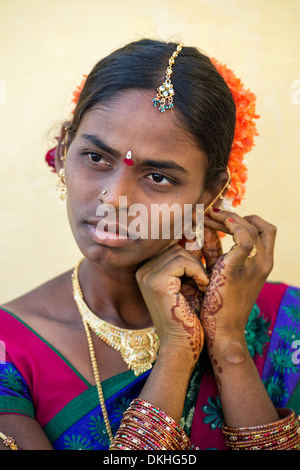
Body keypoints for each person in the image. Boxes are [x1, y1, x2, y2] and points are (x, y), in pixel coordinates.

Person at [0, 39, 299, 451]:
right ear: (65, 147)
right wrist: (177, 353)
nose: (114, 199)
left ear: (209, 193)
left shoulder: (287, 323)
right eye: (95, 158)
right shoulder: (8, 350)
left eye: (158, 177)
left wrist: (229, 343)